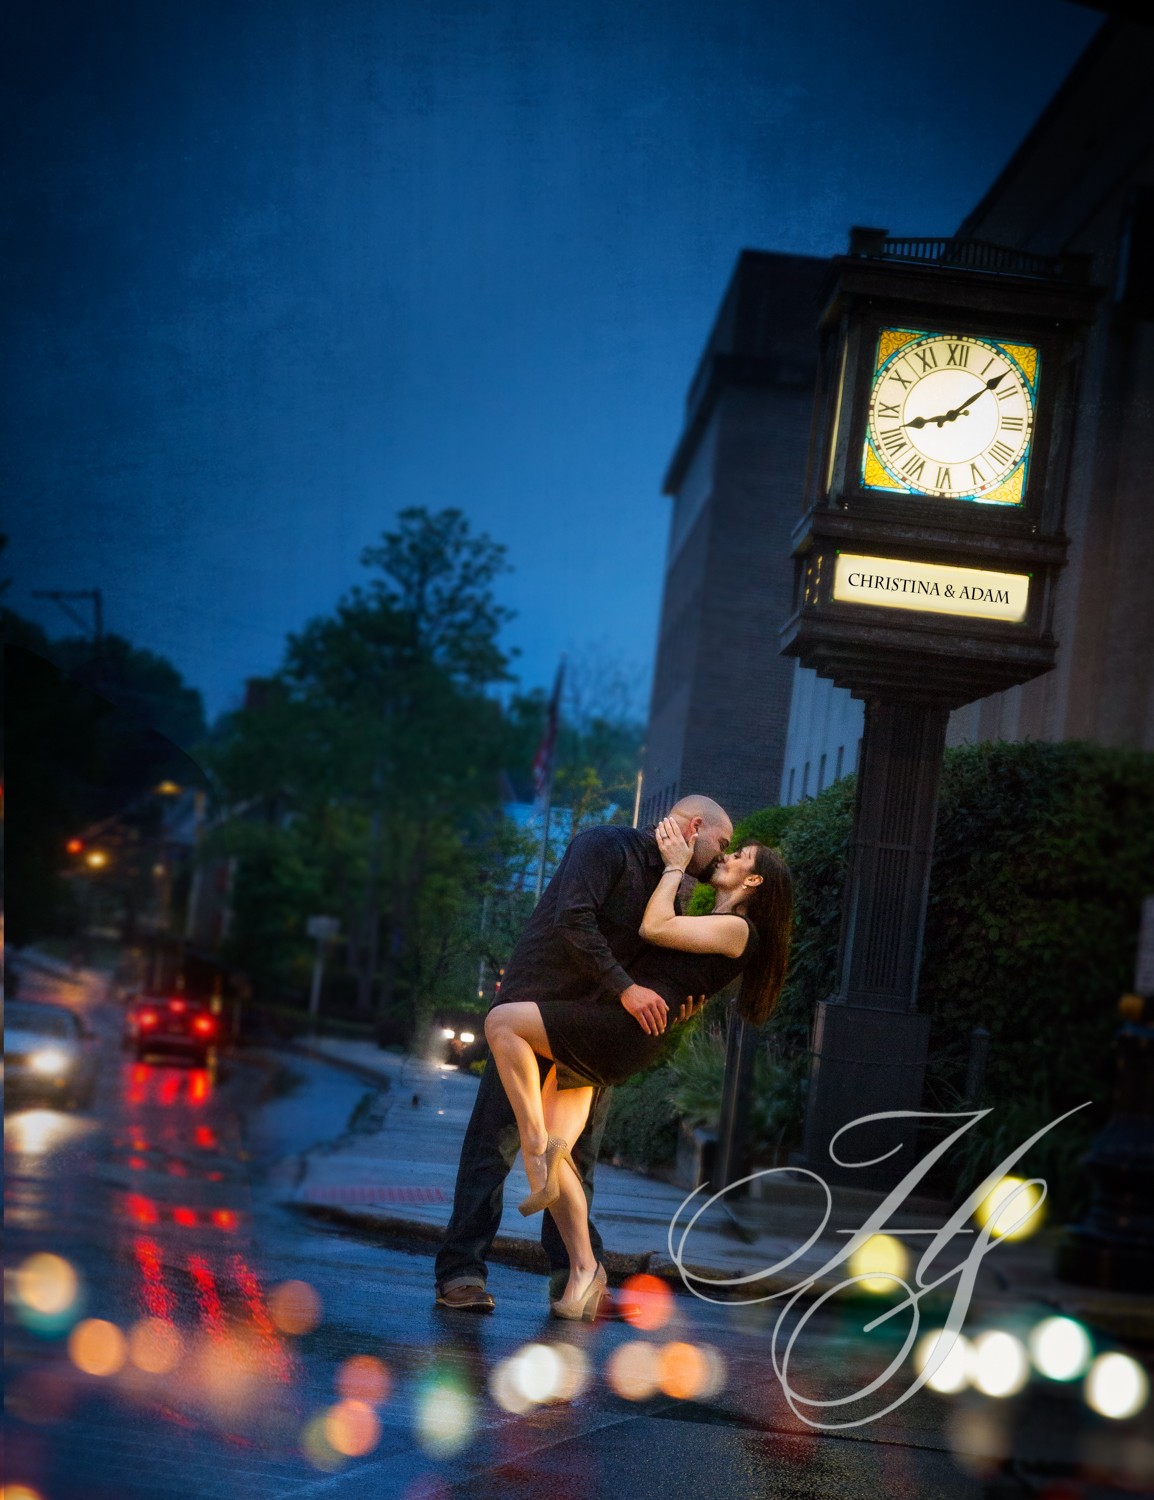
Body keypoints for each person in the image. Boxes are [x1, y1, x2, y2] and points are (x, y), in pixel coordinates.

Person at [484, 815, 793, 1320]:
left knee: (503, 1023)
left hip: (623, 1030)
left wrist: (674, 867)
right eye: (730, 848)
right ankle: (586, 1268)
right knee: (562, 1162)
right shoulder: (718, 920)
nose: (727, 856)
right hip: (620, 1020)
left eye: (740, 857)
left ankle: (532, 1142)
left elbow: (654, 927)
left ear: (753, 881)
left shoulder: (740, 928)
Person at [433, 795, 734, 1311]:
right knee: (495, 1145)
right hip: (536, 1012)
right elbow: (574, 921)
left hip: (593, 1030)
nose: (723, 855)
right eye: (722, 844)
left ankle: (574, 1277)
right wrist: (625, 990)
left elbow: (656, 958)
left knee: (575, 1158)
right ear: (697, 825)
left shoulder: (674, 886)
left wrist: (676, 999)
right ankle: (461, 1273)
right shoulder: (604, 844)